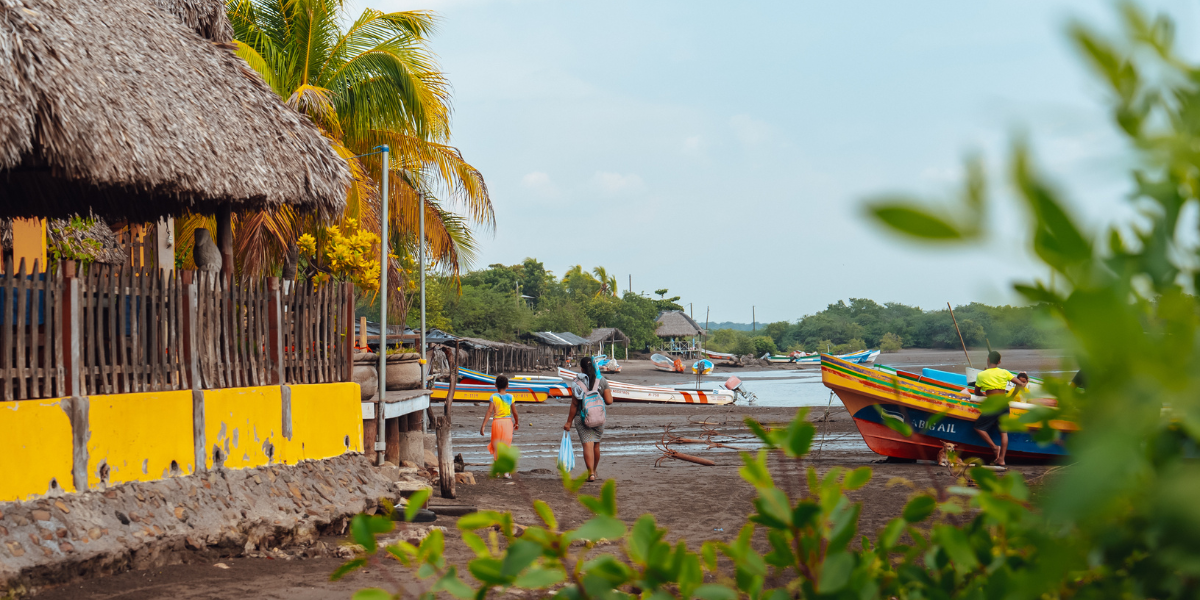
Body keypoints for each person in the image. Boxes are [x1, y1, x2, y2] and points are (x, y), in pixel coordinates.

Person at [971, 350, 1028, 466]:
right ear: (999, 361)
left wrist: (984, 396)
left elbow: (976, 392)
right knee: (1004, 433)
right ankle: (1002, 459)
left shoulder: (982, 374)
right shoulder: (1004, 372)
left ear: (987, 360)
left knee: (979, 428)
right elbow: (1020, 384)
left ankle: (994, 447)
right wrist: (1011, 397)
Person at [564, 356, 613, 482]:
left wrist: (569, 422)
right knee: (596, 445)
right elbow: (609, 401)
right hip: (599, 417)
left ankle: (590, 473)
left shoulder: (577, 382)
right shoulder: (601, 380)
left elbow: (574, 404)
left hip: (582, 418)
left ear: (581, 368)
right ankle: (594, 471)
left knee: (587, 445)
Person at [480, 375, 519, 478]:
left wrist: (483, 425)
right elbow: (515, 413)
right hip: (507, 423)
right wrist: (517, 423)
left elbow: (489, 411)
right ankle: (506, 471)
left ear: (495, 385)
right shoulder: (511, 397)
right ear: (507, 385)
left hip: (496, 423)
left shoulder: (493, 397)